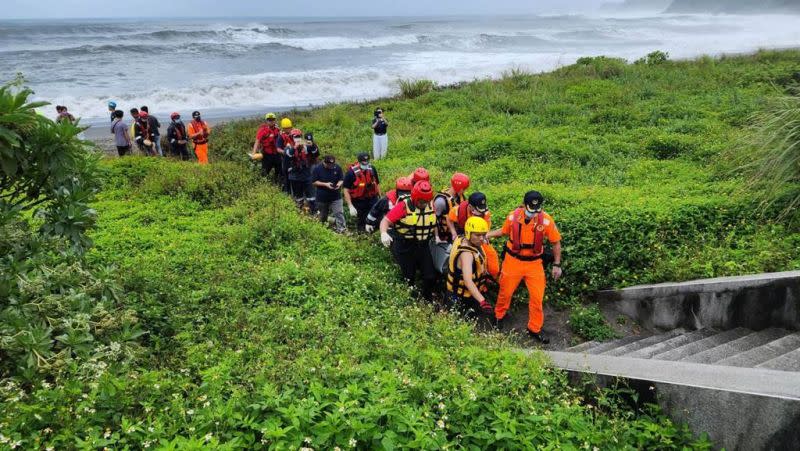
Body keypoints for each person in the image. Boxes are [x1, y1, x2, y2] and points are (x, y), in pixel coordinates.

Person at [486, 191, 562, 344]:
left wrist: (557, 264)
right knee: (505, 293)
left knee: (537, 298)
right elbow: (503, 231)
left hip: (534, 264)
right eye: (530, 209)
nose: (533, 213)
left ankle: (534, 328)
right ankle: (499, 317)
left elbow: (556, 242)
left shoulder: (546, 221)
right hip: (513, 261)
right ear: (524, 205)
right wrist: (487, 235)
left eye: (536, 210)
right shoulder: (513, 217)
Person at [379, 180, 438, 301]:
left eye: (426, 201)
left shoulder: (430, 205)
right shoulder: (403, 206)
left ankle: (427, 298)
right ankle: (410, 299)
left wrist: (437, 236)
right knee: (409, 276)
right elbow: (385, 221)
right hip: (405, 245)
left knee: (430, 276)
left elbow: (432, 221)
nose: (424, 204)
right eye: (422, 201)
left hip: (423, 245)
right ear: (415, 197)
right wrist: (383, 233)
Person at [446, 216, 494, 318]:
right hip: (460, 295)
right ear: (468, 233)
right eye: (477, 235)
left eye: (483, 235)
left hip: (467, 293)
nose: (481, 238)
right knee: (462, 320)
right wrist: (482, 301)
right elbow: (468, 281)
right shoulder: (466, 255)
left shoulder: (463, 239)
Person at [447, 191, 500, 280]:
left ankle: (488, 280)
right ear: (470, 207)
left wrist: (483, 238)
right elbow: (449, 219)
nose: (481, 212)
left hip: (480, 239)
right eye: (478, 210)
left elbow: (486, 231)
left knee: (493, 264)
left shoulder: (485, 213)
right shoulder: (458, 210)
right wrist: (453, 233)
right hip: (464, 239)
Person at [343, 152, 381, 232]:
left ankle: (374, 232)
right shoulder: (351, 173)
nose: (366, 165)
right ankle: (362, 234)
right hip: (359, 200)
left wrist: (380, 197)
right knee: (362, 219)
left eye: (367, 162)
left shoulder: (372, 169)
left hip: (372, 198)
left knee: (376, 215)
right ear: (359, 162)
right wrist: (350, 206)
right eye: (364, 163)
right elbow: (346, 190)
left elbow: (377, 184)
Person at [312, 155, 346, 233]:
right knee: (323, 215)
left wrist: (339, 184)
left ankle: (342, 230)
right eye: (329, 165)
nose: (331, 166)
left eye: (333, 164)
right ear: (325, 162)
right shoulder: (317, 169)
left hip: (336, 195)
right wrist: (326, 184)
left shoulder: (337, 167)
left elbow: (341, 179)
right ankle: (322, 230)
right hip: (322, 197)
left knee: (339, 213)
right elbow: (314, 182)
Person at [285, 129, 317, 213]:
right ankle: (301, 213)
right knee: (298, 198)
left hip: (307, 175)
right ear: (292, 138)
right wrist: (295, 147)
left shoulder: (306, 146)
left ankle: (314, 212)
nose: (297, 139)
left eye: (299, 136)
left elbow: (315, 153)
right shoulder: (289, 146)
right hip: (295, 176)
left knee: (312, 198)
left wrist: (313, 145)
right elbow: (288, 155)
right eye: (295, 137)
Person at [433, 172, 470, 244]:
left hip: (457, 233)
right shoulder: (441, 201)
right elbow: (434, 220)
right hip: (444, 236)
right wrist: (437, 237)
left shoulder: (461, 196)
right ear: (458, 188)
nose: (465, 191)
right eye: (464, 189)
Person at [254, 113, 281, 181]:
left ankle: (277, 182)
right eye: (269, 120)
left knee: (279, 171)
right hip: (267, 155)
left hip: (277, 154)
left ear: (275, 120)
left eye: (272, 120)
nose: (271, 121)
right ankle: (263, 184)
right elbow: (257, 141)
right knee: (265, 172)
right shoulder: (263, 130)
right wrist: (254, 152)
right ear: (266, 121)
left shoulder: (277, 129)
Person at [276, 118, 295, 192]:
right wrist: (285, 152)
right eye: (286, 128)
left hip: (295, 159)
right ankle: (288, 192)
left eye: (289, 128)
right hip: (286, 160)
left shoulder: (295, 134)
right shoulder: (281, 136)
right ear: (283, 128)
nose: (288, 130)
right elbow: (278, 148)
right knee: (286, 177)